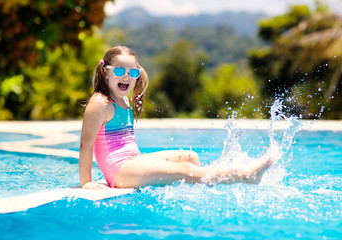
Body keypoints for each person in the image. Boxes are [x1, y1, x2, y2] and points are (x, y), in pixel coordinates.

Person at [79, 46, 273, 189]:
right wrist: (86, 182)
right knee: (183, 170)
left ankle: (199, 182)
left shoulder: (124, 100)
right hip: (120, 171)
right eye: (120, 71)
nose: (127, 77)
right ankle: (245, 175)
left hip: (133, 162)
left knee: (189, 157)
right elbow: (85, 145)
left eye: (133, 72)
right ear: (106, 72)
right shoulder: (101, 102)